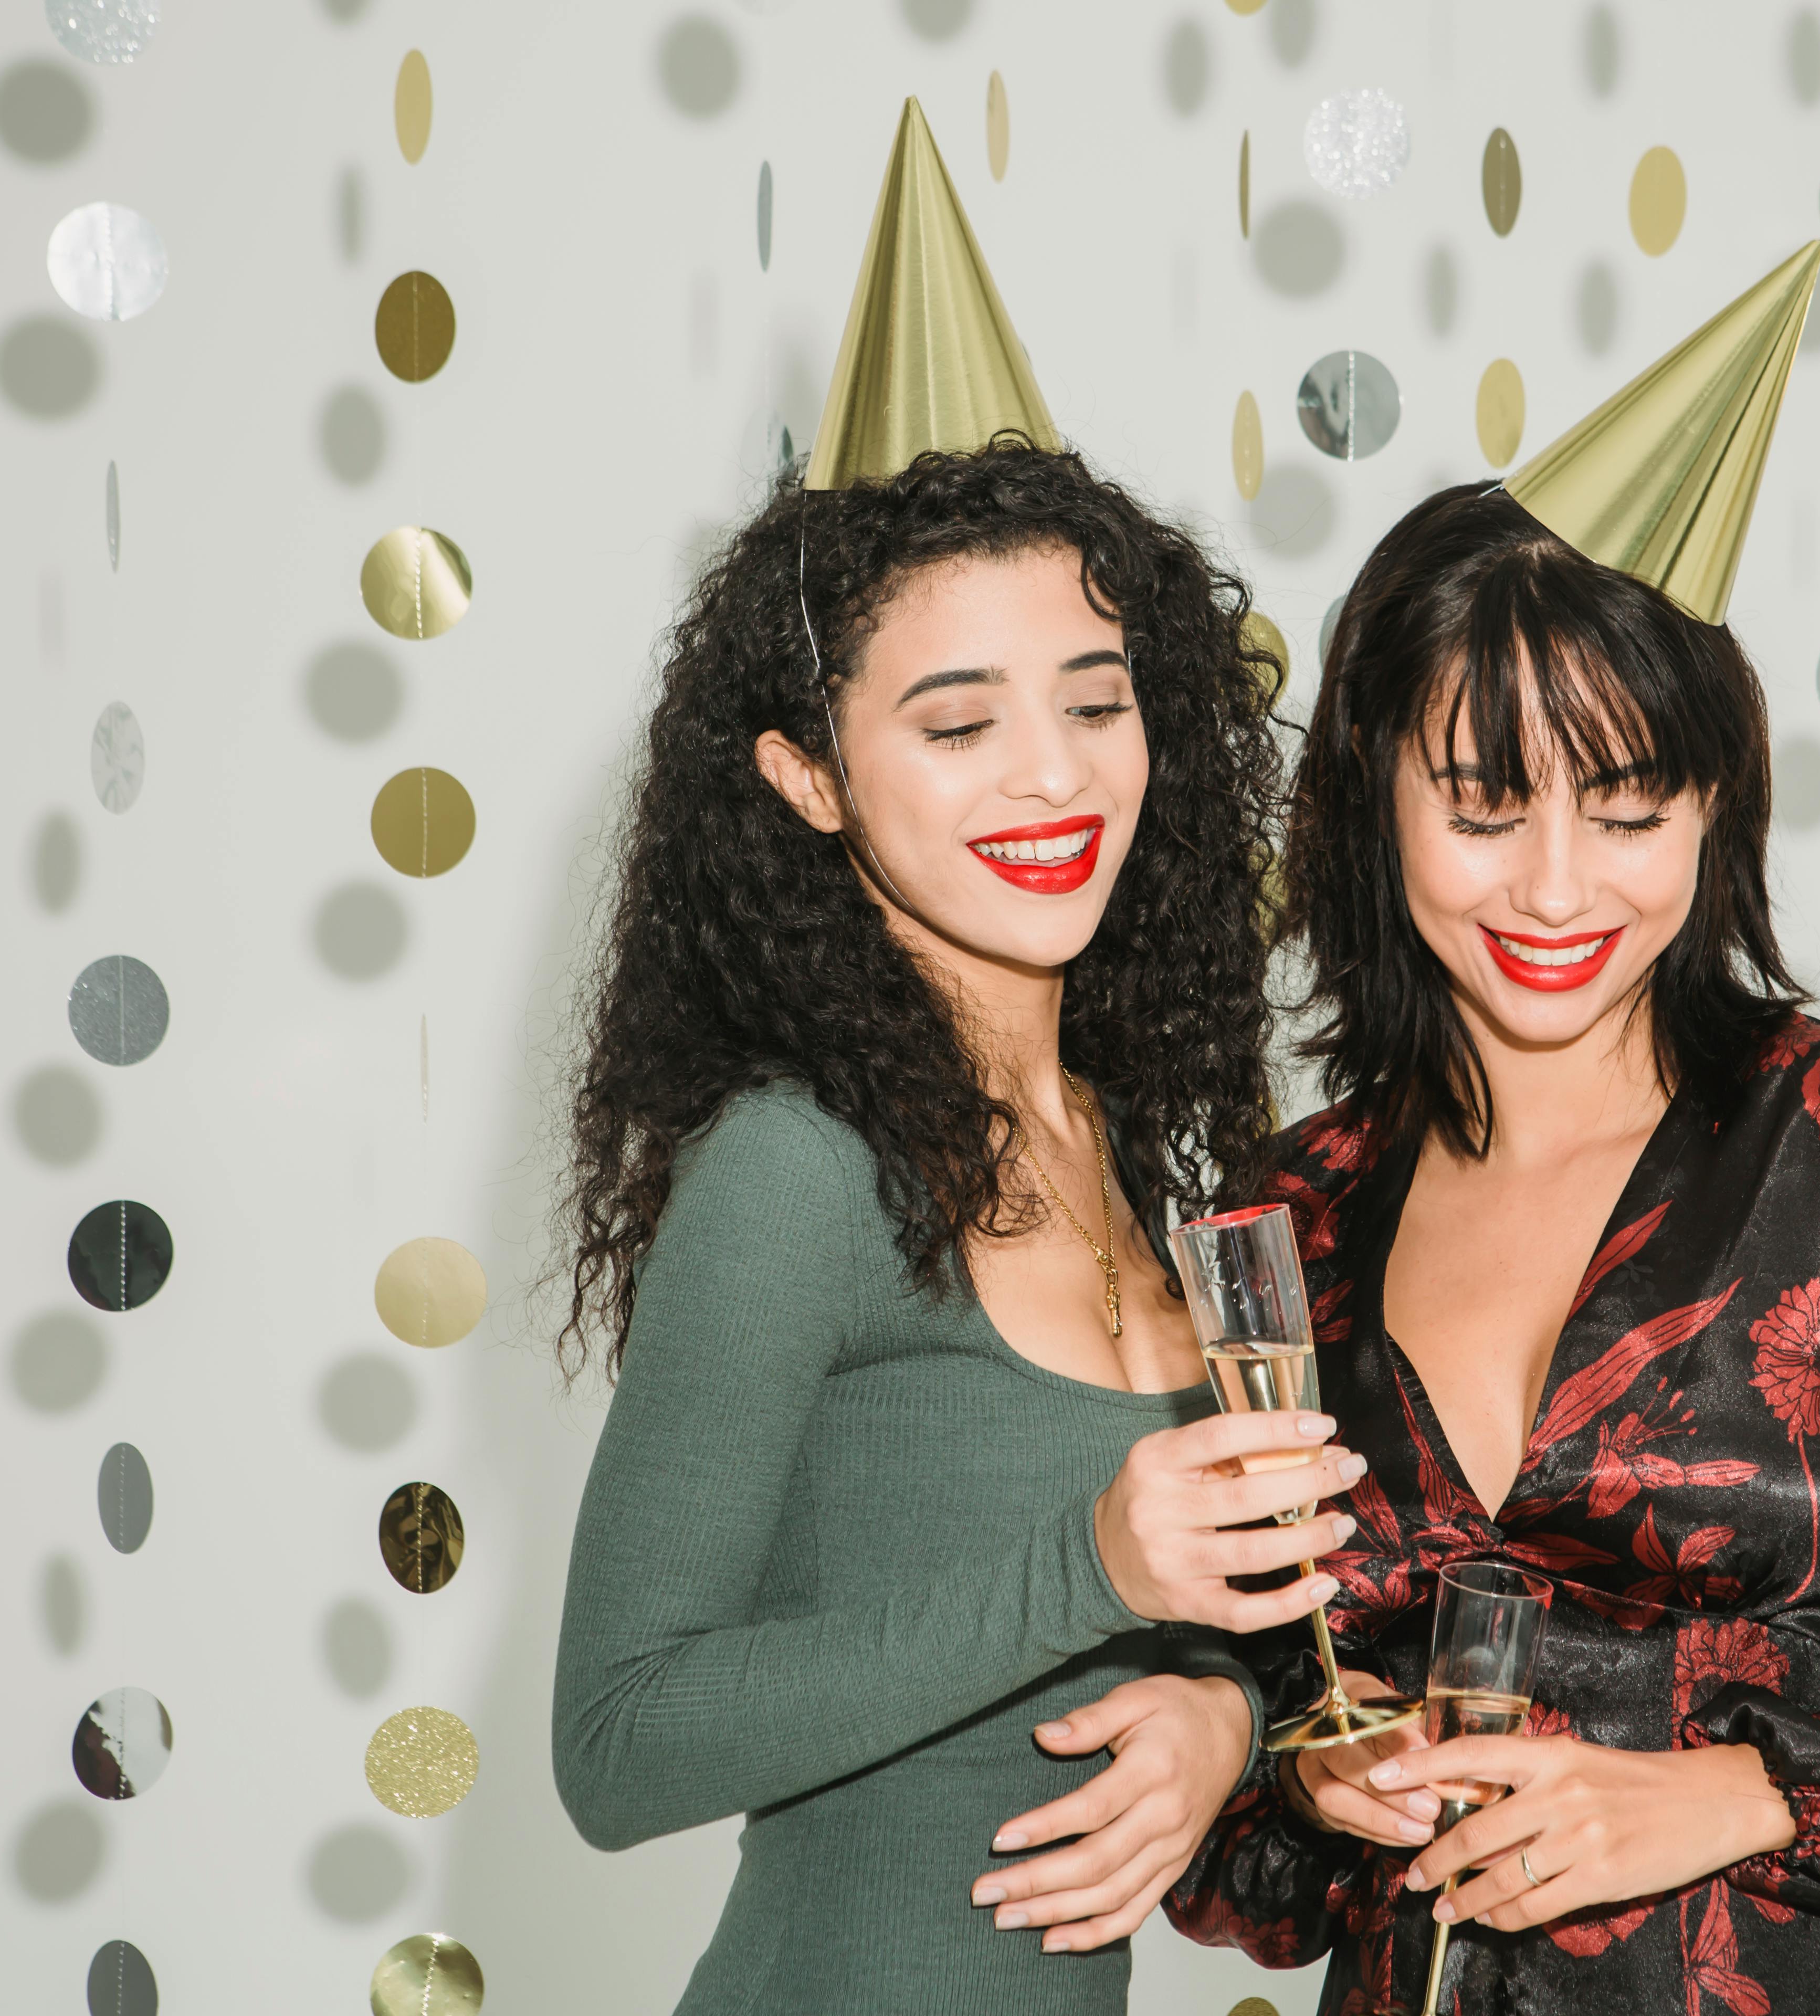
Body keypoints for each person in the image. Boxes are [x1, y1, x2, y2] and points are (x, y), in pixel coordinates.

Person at [1166, 248, 1820, 2013]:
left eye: (1629, 807)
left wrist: (1722, 1795)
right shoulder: (1288, 1219)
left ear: (1716, 808)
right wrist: (1317, 1773)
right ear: (1375, 796)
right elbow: (1230, 1774)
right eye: (1482, 806)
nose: (1557, 884)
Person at [550, 102, 1362, 2013]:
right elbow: (618, 1741)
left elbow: (1177, 1629)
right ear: (809, 779)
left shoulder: (1141, 1153)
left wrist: (1223, 1727)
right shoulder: (794, 1171)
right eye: (958, 722)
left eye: (1096, 701)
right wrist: (1093, 1560)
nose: (1056, 776)